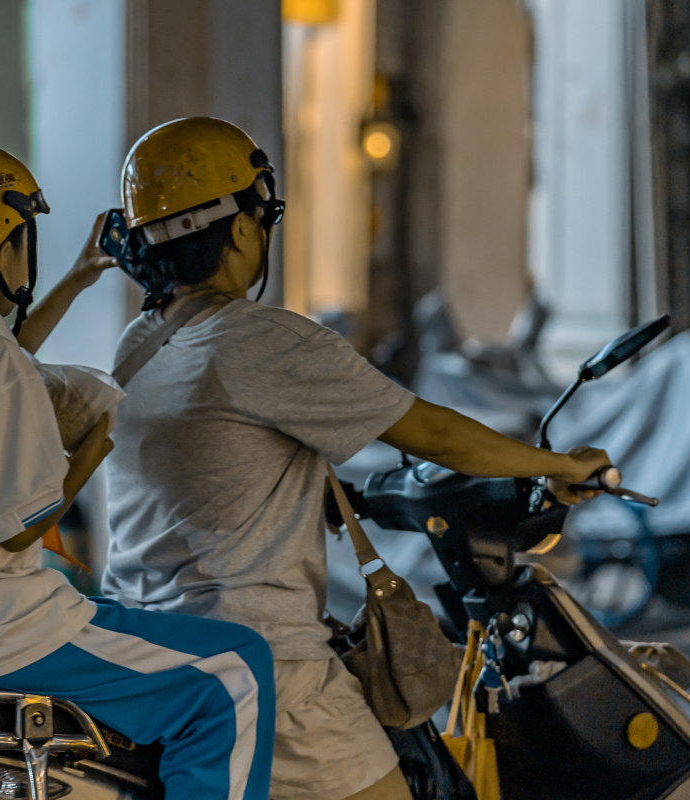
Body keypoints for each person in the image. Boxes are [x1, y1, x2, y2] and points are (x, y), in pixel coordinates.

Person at [102, 117, 610, 800]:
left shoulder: (141, 341)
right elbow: (434, 434)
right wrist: (560, 467)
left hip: (155, 647)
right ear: (244, 229)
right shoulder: (262, 341)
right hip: (263, 667)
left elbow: (208, 458)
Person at [0, 139, 276, 800]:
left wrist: (79, 277)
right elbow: (17, 528)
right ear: (7, 246)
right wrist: (89, 455)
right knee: (236, 668)